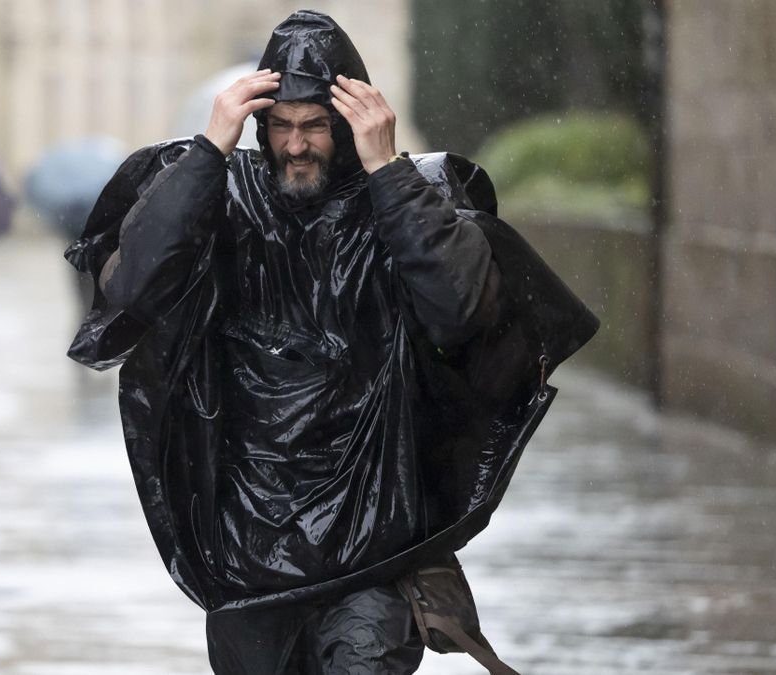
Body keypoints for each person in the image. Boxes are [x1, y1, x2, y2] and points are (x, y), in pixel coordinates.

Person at [66, 11, 595, 674]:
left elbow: (460, 308)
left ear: (348, 124)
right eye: (280, 125)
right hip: (247, 551)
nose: (296, 145)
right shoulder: (217, 194)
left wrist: (387, 169)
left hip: (375, 545)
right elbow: (133, 287)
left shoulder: (406, 195)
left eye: (314, 125)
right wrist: (207, 152)